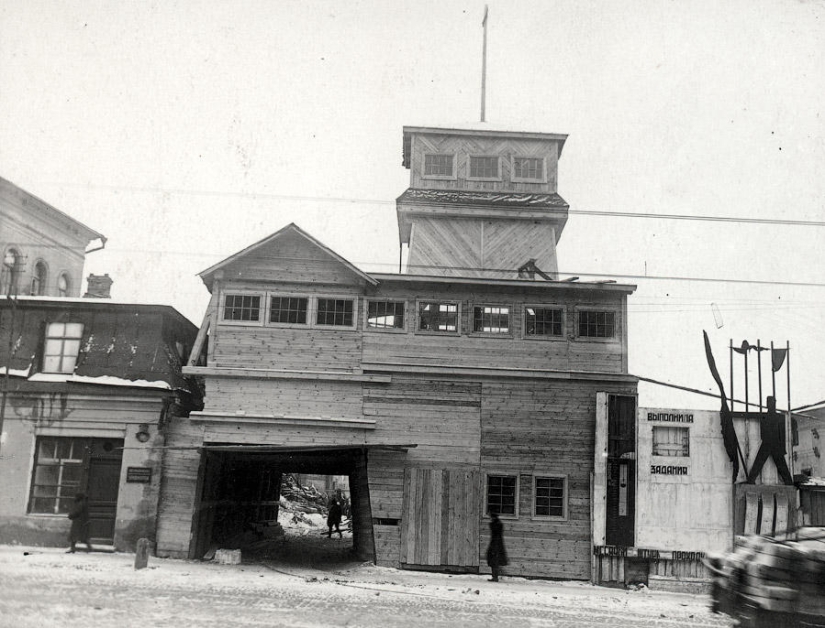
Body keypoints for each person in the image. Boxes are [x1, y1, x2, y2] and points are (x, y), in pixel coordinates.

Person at [746, 396, 794, 485]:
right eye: (769, 403)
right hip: (769, 442)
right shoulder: (769, 416)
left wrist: (782, 449)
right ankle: (751, 480)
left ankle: (789, 482)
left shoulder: (779, 417)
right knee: (759, 462)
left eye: (771, 402)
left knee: (780, 465)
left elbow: (782, 434)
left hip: (773, 443)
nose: (770, 405)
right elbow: (763, 431)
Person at [486, 510, 508, 582]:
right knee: (494, 561)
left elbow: (494, 531)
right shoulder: (498, 523)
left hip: (496, 544)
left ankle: (495, 577)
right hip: (496, 543)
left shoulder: (496, 524)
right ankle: (495, 576)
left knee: (494, 561)